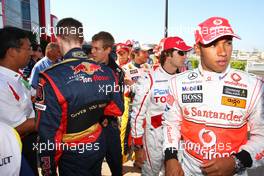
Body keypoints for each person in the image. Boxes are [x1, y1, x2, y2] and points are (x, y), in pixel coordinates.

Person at [163, 17, 264, 176]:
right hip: (188, 171)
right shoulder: (178, 83)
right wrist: (170, 157)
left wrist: (237, 161)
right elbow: (171, 123)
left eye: (228, 43)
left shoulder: (254, 86)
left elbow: (262, 136)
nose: (223, 52)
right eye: (213, 44)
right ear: (197, 49)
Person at [36, 18, 124, 176]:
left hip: (72, 153)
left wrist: (48, 169)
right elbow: (117, 109)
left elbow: (48, 133)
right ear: (82, 40)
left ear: (58, 38)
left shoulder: (50, 77)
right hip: (97, 143)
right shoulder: (107, 72)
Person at [130, 36, 192, 175]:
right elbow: (137, 115)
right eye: (181, 52)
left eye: (186, 53)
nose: (185, 56)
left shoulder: (185, 81)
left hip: (177, 139)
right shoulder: (149, 79)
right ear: (168, 54)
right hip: (154, 139)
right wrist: (138, 146)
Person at [0, 26, 37, 175]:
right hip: (11, 149)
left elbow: (33, 95)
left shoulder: (16, 77)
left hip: (28, 142)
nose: (32, 53)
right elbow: (19, 126)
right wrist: (53, 118)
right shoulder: (2, 85)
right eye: (28, 48)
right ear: (12, 51)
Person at [91, 31, 125, 176]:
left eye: (96, 49)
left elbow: (119, 102)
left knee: (116, 165)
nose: (92, 52)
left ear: (107, 50)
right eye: (92, 48)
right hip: (91, 125)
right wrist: (99, 116)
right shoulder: (86, 68)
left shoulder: (118, 72)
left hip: (111, 125)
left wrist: (106, 116)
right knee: (93, 167)